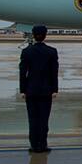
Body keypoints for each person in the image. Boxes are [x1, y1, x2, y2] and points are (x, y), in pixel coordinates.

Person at [19, 24, 58, 153]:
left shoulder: (26, 52)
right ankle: (43, 144)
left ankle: (34, 145)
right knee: (44, 119)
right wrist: (54, 89)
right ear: (45, 35)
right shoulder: (51, 51)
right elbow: (54, 72)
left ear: (34, 35)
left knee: (33, 119)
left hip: (31, 90)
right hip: (46, 90)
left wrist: (23, 90)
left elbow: (22, 72)